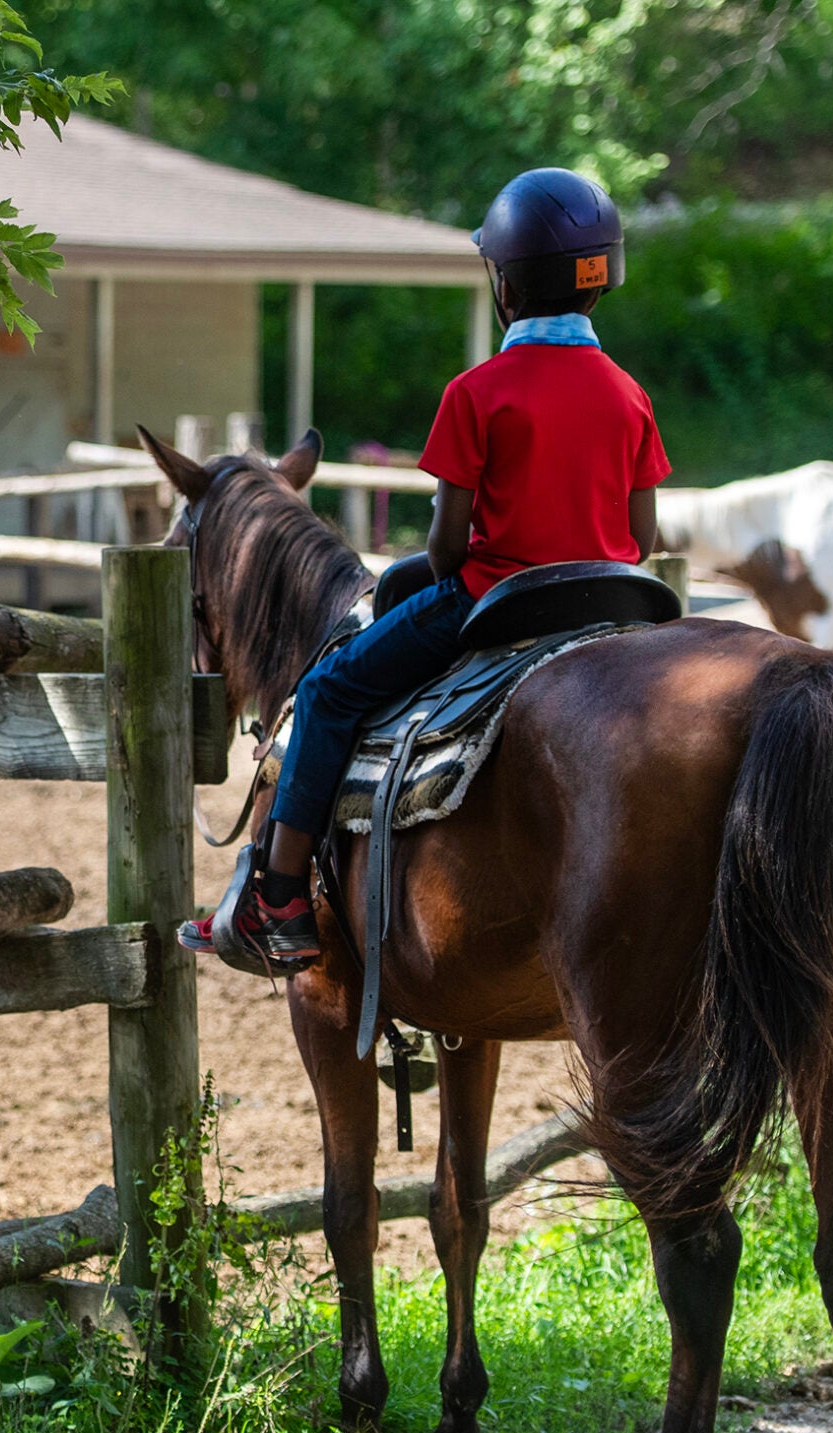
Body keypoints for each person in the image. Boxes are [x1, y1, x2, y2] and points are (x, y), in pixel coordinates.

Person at [188, 167, 670, 974]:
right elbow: (641, 534)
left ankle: (278, 894)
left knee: (330, 689)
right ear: (602, 282)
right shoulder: (629, 394)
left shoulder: (477, 391)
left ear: (506, 288)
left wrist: (444, 561)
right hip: (610, 606)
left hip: (498, 603)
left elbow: (448, 551)